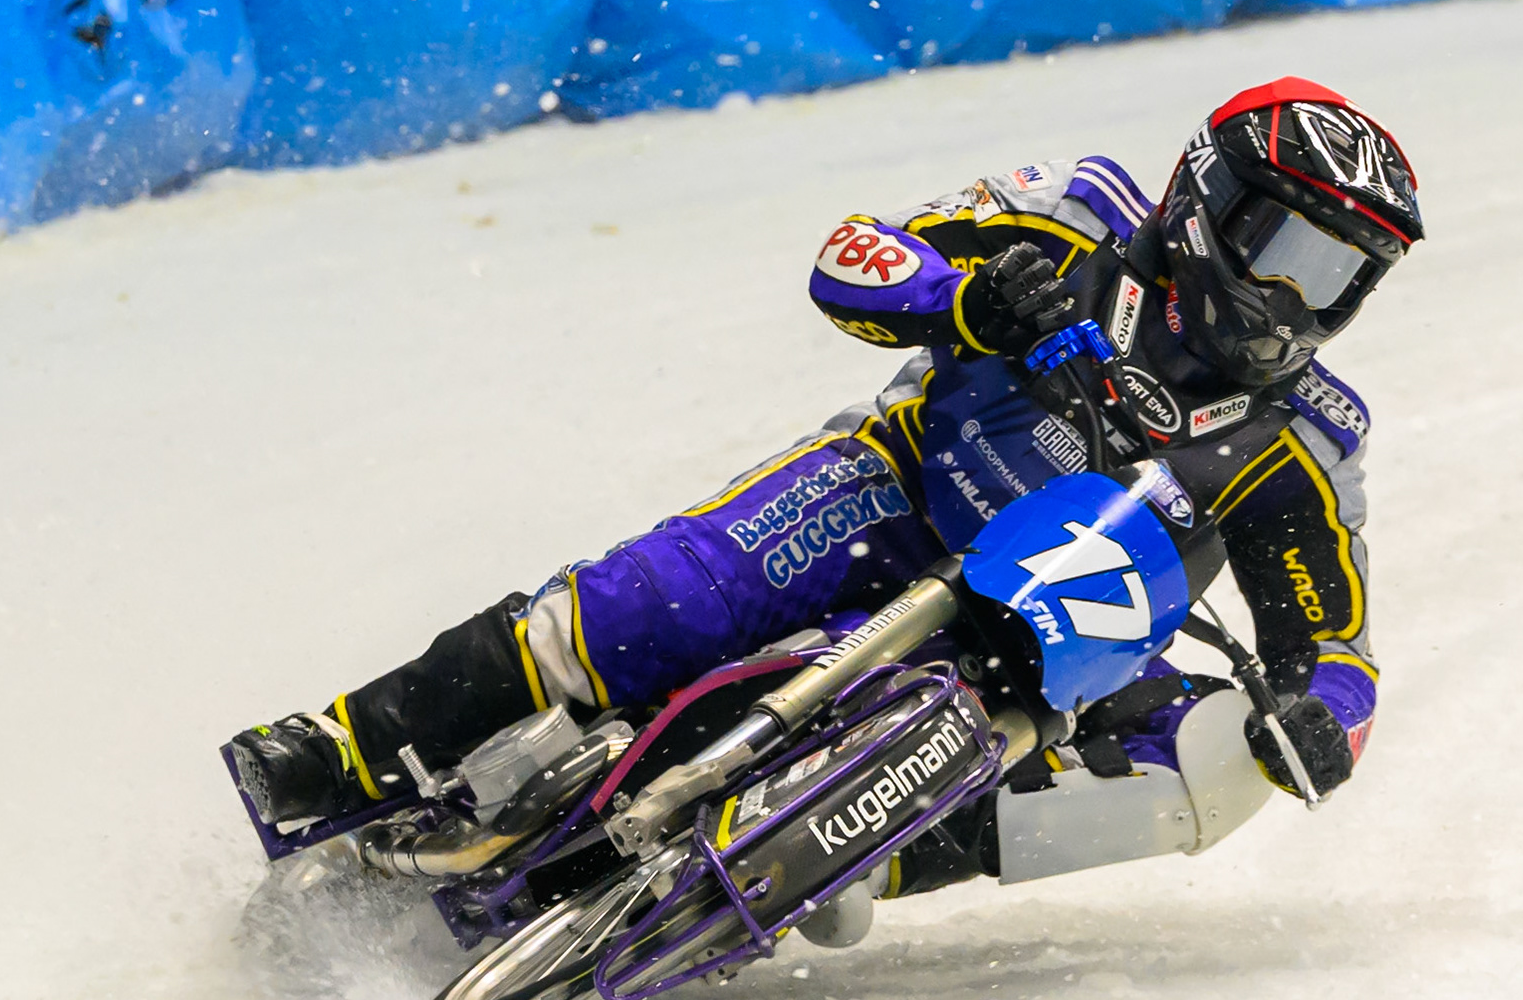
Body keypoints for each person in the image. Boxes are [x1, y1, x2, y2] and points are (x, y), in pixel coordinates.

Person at [227, 76, 1421, 894]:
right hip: (894, 492)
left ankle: (845, 869)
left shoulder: (1308, 437)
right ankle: (342, 746)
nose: (1297, 299)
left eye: (1340, 276)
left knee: (1208, 773)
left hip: (1074, 638)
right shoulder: (1081, 214)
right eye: (1287, 249)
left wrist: (1321, 720)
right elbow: (856, 253)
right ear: (1211, 199)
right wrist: (968, 296)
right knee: (657, 606)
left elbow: (1343, 646)